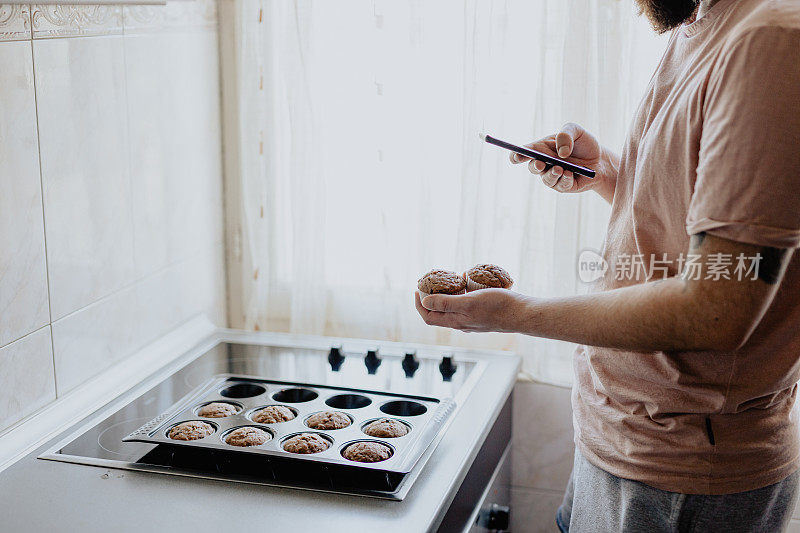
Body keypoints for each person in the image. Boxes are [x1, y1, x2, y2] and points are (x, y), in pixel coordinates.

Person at [415, 0, 800, 530]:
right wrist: (611, 174)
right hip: (620, 435)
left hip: (682, 471)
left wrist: (516, 315)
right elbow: (694, 228)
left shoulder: (772, 41)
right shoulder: (698, 22)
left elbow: (717, 309)